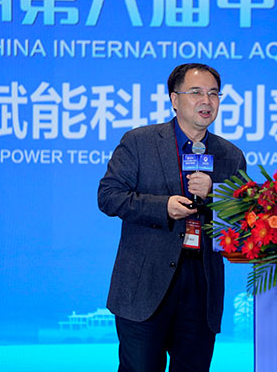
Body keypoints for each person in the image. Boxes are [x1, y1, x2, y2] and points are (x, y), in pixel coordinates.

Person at [98, 63, 246, 372]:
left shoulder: (230, 155)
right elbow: (109, 196)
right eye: (196, 92)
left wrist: (215, 193)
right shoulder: (140, 142)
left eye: (213, 94)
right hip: (145, 283)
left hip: (201, 284)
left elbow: (241, 218)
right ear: (174, 99)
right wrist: (163, 207)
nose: (206, 101)